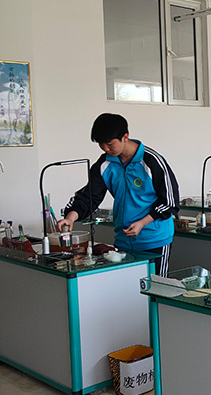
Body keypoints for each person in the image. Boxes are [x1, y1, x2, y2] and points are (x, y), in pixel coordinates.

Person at [58, 113, 179, 276]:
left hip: (154, 239)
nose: (105, 149)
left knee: (155, 286)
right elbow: (89, 196)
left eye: (109, 144)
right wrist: (70, 218)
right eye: (101, 144)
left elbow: (170, 202)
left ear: (125, 137)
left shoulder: (151, 161)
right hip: (123, 239)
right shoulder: (104, 164)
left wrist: (142, 223)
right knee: (125, 286)